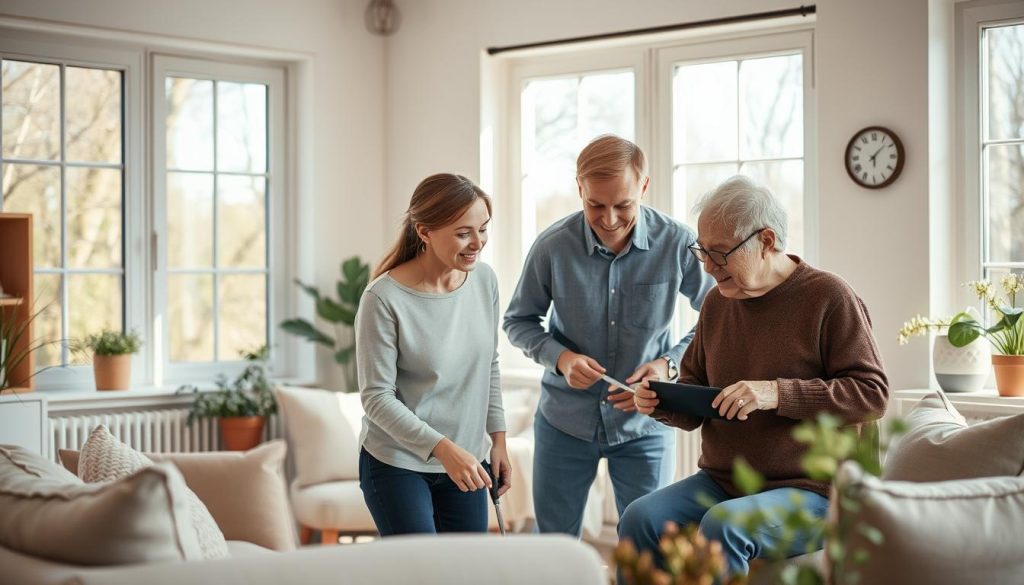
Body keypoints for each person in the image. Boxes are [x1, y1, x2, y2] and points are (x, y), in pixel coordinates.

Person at [618, 175, 889, 576]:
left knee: (724, 525)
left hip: (811, 491)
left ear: (766, 241)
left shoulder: (829, 297)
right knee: (639, 517)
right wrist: (661, 402)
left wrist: (776, 393)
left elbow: (872, 394)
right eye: (702, 252)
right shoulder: (717, 303)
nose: (708, 267)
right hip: (723, 482)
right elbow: (695, 396)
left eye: (721, 253)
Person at [503, 135, 715, 537]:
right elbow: (518, 321)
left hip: (646, 424)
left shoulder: (678, 243)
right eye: (596, 205)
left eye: (624, 204)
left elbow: (720, 316)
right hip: (563, 422)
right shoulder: (551, 247)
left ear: (644, 187)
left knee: (649, 549)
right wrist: (561, 359)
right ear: (579, 188)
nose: (610, 218)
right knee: (555, 547)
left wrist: (670, 364)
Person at [356, 173, 510, 536]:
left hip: (468, 460)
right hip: (397, 464)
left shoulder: (484, 281)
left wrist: (497, 441)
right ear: (424, 232)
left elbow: (488, 365)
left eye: (483, 229)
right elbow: (376, 398)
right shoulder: (383, 299)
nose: (477, 243)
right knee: (422, 573)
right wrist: (442, 449)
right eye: (463, 233)